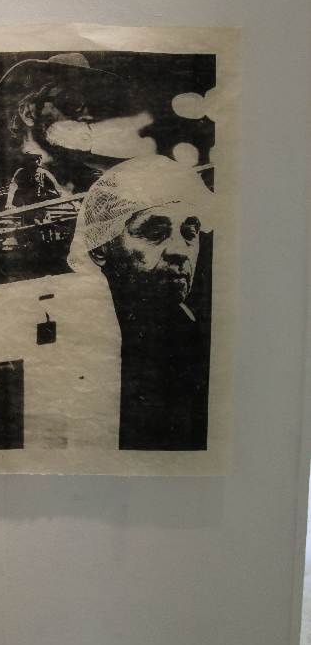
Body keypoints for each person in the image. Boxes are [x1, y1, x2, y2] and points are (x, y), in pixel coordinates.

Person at [68, 153, 214, 451]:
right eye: (155, 233)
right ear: (100, 248)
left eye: (190, 233)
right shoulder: (76, 338)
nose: (180, 251)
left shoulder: (190, 329)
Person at [0, 52, 152, 217]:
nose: (88, 115)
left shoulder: (105, 185)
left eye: (94, 105)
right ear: (29, 113)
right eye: (71, 101)